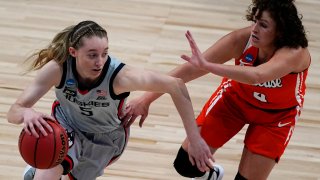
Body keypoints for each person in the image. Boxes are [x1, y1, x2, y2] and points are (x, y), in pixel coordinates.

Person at [123, 0, 311, 179]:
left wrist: (208, 66)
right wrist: (146, 99)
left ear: (280, 31)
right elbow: (187, 70)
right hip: (235, 102)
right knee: (186, 164)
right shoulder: (240, 39)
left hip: (276, 117)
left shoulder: (295, 53)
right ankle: (212, 175)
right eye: (254, 21)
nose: (254, 29)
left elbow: (257, 76)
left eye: (263, 25)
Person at [6, 20, 214, 180]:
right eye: (92, 55)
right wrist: (26, 112)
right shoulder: (57, 68)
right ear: (73, 52)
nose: (100, 62)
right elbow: (13, 111)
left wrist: (194, 139)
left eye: (104, 53)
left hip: (104, 138)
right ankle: (42, 167)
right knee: (47, 174)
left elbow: (175, 85)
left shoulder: (119, 77)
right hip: (66, 126)